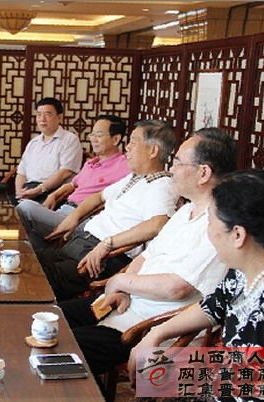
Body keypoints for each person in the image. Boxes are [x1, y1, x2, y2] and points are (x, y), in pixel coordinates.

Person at [60, 128, 237, 384]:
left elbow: (177, 287)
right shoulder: (185, 211)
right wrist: (122, 288)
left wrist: (121, 281)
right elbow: (145, 257)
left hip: (147, 326)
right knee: (49, 318)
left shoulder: (219, 225)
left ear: (203, 173)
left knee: (61, 349)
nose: (171, 169)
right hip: (123, 304)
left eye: (178, 162)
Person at [128, 169, 264, 396]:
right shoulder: (248, 269)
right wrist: (156, 333)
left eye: (210, 222)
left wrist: (197, 375)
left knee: (153, 375)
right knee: (149, 372)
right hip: (234, 375)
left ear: (237, 235)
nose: (208, 233)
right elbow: (212, 306)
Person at [37, 120, 179, 301]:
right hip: (81, 241)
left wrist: (108, 243)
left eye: (133, 142)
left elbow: (158, 224)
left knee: (36, 276)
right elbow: (98, 197)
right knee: (27, 258)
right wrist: (73, 217)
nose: (127, 147)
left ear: (153, 151)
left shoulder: (161, 186)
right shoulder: (135, 177)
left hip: (101, 257)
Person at [16, 114, 130, 248]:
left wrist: (79, 216)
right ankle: (43, 253)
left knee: (25, 208)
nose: (93, 139)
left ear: (116, 139)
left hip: (80, 218)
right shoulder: (91, 163)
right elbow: (72, 185)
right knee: (24, 216)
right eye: (92, 134)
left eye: (99, 135)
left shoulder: (125, 166)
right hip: (63, 210)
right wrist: (53, 195)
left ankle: (42, 252)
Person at [14, 97, 82, 203]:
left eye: (48, 114)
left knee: (24, 208)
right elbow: (21, 173)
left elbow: (65, 172)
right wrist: (19, 192)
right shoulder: (33, 143)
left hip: (54, 193)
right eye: (39, 114)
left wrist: (39, 190)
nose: (42, 119)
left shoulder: (70, 139)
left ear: (59, 117)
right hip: (29, 190)